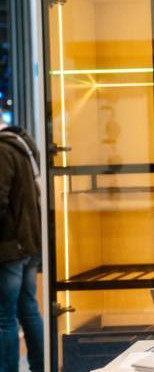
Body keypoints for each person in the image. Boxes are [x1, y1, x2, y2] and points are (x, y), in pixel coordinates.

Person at [0, 107, 44, 372]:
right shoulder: (23, 147)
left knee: (4, 318)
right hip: (29, 243)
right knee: (28, 309)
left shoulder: (2, 151)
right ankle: (40, 367)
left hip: (9, 247)